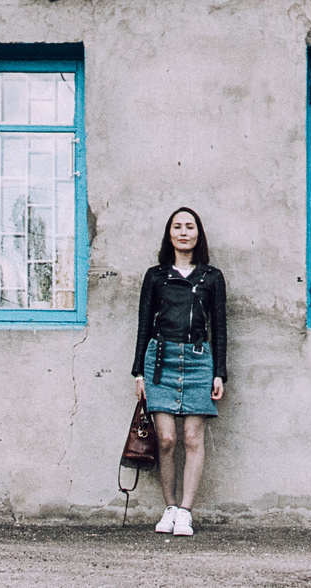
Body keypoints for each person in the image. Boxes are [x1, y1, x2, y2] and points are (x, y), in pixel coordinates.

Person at [132, 205, 227, 536]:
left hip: (200, 360)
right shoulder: (156, 276)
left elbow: (220, 326)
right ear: (169, 234)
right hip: (160, 360)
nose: (183, 232)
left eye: (190, 226)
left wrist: (220, 373)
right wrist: (138, 374)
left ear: (198, 234)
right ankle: (169, 507)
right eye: (177, 226)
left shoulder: (211, 277)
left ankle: (186, 511)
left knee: (192, 438)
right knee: (168, 439)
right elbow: (144, 324)